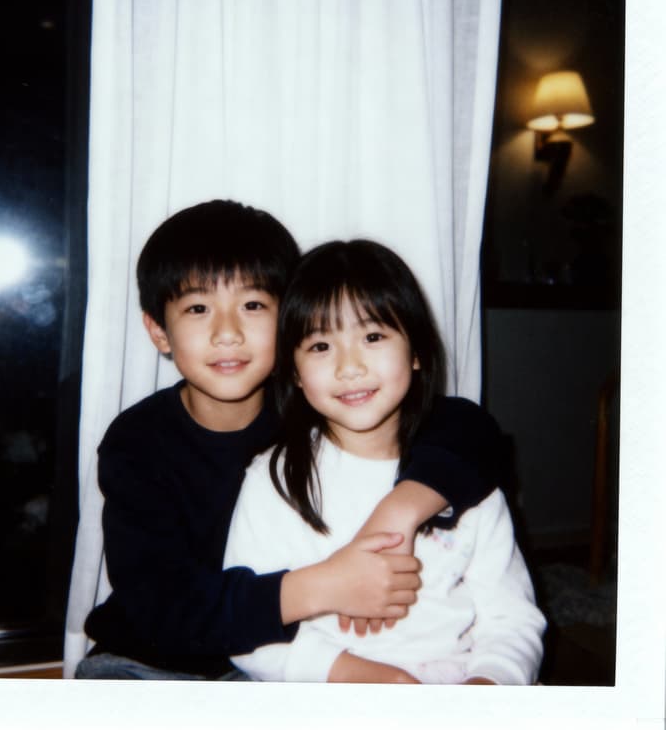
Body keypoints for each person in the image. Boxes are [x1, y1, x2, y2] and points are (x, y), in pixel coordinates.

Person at [77, 201, 505, 680]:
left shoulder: (316, 409)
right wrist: (323, 586)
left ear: (289, 323)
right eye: (198, 308)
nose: (227, 333)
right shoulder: (139, 442)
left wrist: (398, 512)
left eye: (253, 305)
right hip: (147, 659)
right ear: (159, 331)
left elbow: (471, 431)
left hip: (267, 664)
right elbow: (161, 607)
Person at [224, 239, 546, 684]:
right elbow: (252, 637)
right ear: (295, 372)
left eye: (373, 337)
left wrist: (489, 684)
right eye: (320, 346)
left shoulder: (463, 474)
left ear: (415, 351)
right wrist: (376, 680)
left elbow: (511, 619)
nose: (349, 366)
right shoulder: (275, 479)